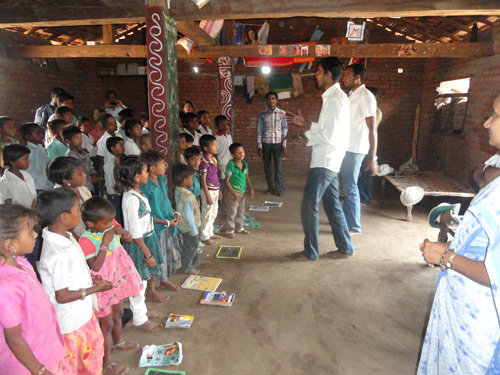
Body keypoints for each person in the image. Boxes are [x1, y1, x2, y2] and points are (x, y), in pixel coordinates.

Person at [418, 93, 500, 374]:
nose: (487, 122)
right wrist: (447, 255)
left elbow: (496, 274)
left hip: (484, 325)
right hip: (467, 306)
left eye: (496, 115)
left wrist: (448, 256)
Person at [36, 188, 113, 375]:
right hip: (72, 324)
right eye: (77, 209)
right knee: (83, 367)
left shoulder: (66, 236)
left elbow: (72, 274)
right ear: (63, 217)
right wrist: (96, 288)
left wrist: (90, 279)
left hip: (82, 315)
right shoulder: (56, 254)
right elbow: (62, 296)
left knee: (92, 361)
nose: (80, 213)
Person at [287, 57, 355, 260]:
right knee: (332, 205)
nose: (315, 75)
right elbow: (327, 130)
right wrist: (305, 124)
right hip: (329, 159)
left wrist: (305, 126)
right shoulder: (333, 98)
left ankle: (310, 251)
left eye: (318, 71)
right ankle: (345, 248)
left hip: (325, 161)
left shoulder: (335, 100)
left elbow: (328, 135)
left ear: (328, 74)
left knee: (309, 205)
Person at [0, 204, 68, 375]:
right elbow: (14, 339)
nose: (36, 234)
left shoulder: (21, 263)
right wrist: (39, 371)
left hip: (47, 349)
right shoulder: (5, 286)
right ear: (10, 244)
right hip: (29, 365)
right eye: (30, 232)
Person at [79, 197, 143, 375]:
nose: (110, 225)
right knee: (105, 325)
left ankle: (118, 342)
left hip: (118, 278)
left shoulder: (110, 223)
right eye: (106, 222)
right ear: (90, 223)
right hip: (103, 285)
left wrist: (123, 232)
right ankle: (106, 363)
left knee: (119, 314)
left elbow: (128, 240)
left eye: (111, 221)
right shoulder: (86, 240)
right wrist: (105, 243)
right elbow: (95, 266)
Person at [115, 156, 164, 332]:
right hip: (139, 244)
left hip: (146, 239)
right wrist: (147, 253)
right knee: (138, 282)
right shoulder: (130, 199)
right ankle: (139, 319)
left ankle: (141, 311)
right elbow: (134, 231)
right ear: (136, 177)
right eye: (144, 172)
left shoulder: (138, 193)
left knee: (142, 279)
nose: (146, 174)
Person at [340, 63, 378, 235]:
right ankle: (347, 221)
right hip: (346, 147)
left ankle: (354, 226)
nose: (344, 78)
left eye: (347, 75)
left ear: (357, 78)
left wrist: (373, 158)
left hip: (356, 149)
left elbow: (373, 128)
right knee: (347, 186)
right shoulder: (351, 95)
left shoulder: (366, 96)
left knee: (350, 187)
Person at [140, 150, 182, 292]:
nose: (165, 166)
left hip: (167, 223)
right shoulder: (146, 187)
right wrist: (166, 222)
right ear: (152, 169)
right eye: (162, 164)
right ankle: (151, 290)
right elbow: (146, 214)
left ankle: (164, 280)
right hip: (156, 227)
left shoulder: (162, 180)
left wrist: (174, 213)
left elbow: (166, 200)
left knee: (165, 255)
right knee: (155, 256)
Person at [47, 156, 91, 238]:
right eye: (80, 174)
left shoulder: (83, 190)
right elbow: (64, 227)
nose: (85, 175)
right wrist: (79, 241)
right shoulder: (57, 199)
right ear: (66, 181)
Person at [257, 91, 288, 196]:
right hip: (266, 144)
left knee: (278, 167)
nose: (271, 101)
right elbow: (259, 130)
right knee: (267, 167)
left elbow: (285, 130)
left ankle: (280, 189)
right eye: (269, 99)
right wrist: (259, 146)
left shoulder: (282, 113)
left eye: (273, 98)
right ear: (266, 101)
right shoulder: (262, 114)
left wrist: (284, 145)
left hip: (278, 144)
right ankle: (270, 188)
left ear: (277, 100)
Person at [173, 164, 202, 274]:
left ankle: (195, 261)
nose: (193, 181)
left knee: (191, 246)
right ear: (185, 180)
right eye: (191, 178)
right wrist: (194, 231)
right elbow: (188, 215)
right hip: (190, 228)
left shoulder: (178, 191)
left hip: (185, 227)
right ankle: (187, 267)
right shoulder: (187, 196)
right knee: (190, 247)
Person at [224, 143, 255, 238]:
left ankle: (239, 228)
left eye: (242, 151)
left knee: (241, 211)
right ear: (233, 155)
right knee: (232, 212)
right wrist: (233, 193)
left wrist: (251, 188)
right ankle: (229, 231)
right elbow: (227, 181)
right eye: (238, 152)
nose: (242, 154)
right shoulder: (231, 165)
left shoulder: (244, 164)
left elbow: (246, 176)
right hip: (234, 193)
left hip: (243, 191)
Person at [358, 86, 382, 206]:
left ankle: (364, 198)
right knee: (360, 173)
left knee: (366, 173)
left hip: (368, 145)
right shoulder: (367, 110)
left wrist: (372, 156)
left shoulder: (375, 112)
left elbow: (371, 129)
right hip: (361, 144)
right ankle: (358, 196)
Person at [198, 134, 222, 246]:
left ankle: (210, 232)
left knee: (213, 212)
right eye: (214, 145)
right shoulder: (204, 162)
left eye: (216, 145)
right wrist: (207, 194)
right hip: (208, 190)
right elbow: (203, 179)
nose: (217, 147)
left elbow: (216, 176)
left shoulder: (213, 159)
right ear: (206, 148)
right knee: (207, 213)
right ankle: (204, 236)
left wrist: (219, 190)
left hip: (215, 189)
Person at [63, 126, 98, 193]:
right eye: (76, 138)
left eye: (80, 137)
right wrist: (89, 179)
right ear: (67, 141)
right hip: (80, 188)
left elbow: (90, 164)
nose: (80, 140)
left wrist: (93, 173)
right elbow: (73, 175)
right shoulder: (70, 156)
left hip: (89, 186)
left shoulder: (83, 151)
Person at [20, 122, 53, 191]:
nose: (42, 135)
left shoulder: (39, 147)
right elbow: (28, 171)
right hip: (38, 186)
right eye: (38, 133)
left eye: (41, 132)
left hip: (46, 184)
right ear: (28, 137)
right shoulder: (29, 151)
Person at [104, 136, 125, 226]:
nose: (123, 148)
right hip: (114, 195)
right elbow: (113, 181)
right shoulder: (111, 162)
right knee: (118, 220)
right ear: (112, 148)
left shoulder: (119, 160)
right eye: (120, 145)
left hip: (118, 194)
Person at [96, 114, 119, 180]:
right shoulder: (103, 141)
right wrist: (102, 176)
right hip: (110, 170)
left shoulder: (118, 135)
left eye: (115, 122)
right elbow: (101, 159)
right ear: (105, 127)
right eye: (111, 124)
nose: (115, 125)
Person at [214, 115, 233, 179]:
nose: (225, 126)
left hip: (230, 162)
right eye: (222, 124)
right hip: (222, 164)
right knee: (224, 180)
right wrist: (216, 166)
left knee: (230, 179)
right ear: (217, 126)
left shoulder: (228, 135)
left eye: (226, 124)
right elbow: (215, 153)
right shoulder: (216, 138)